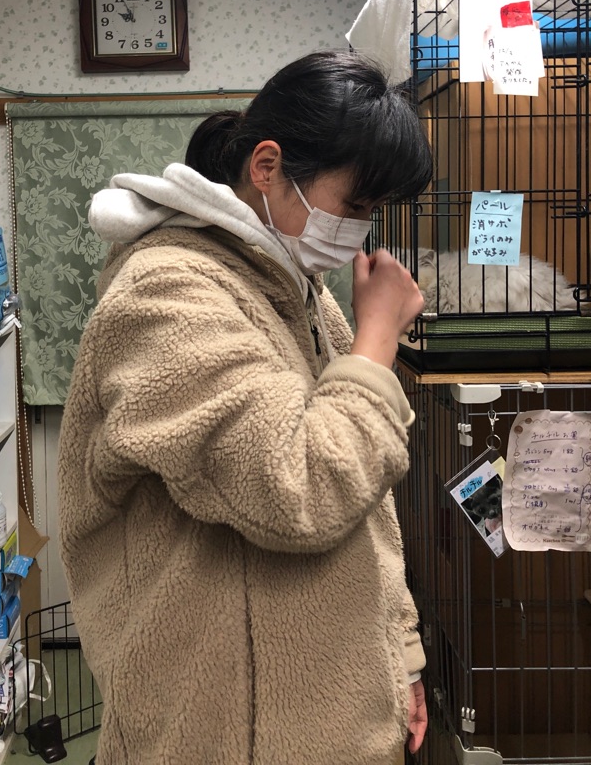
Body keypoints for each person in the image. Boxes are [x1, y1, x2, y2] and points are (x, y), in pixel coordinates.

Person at [58, 49, 433, 765]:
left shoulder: (297, 288)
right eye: (356, 206)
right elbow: (301, 486)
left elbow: (368, 510)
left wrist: (401, 662)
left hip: (332, 703)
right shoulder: (166, 293)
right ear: (267, 167)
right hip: (222, 729)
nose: (362, 230)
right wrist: (379, 338)